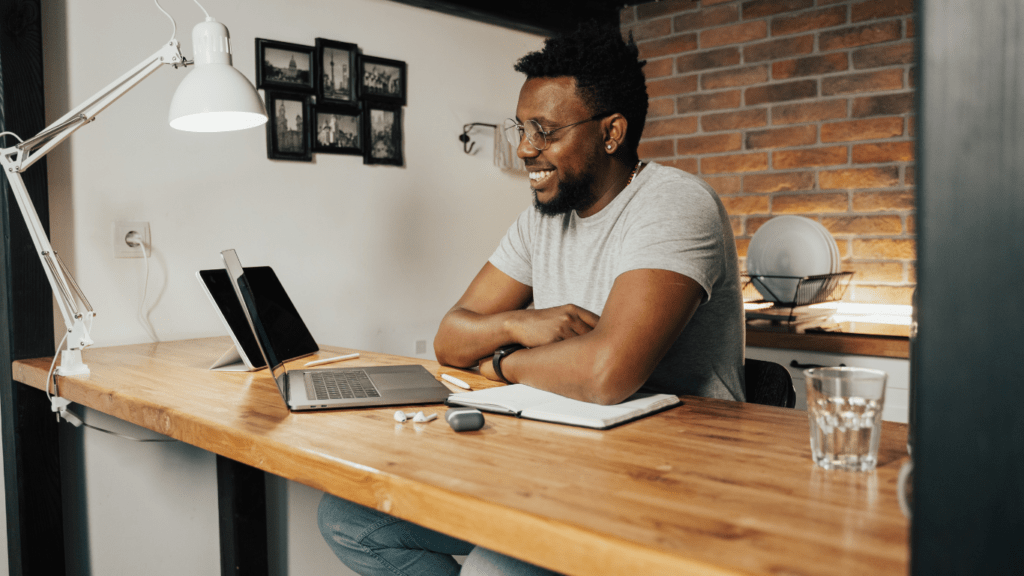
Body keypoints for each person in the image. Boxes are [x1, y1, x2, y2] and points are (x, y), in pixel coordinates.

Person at [318, 22, 745, 576]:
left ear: (611, 132)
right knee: (349, 518)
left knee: (493, 569)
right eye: (521, 128)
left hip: (671, 481)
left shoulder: (673, 204)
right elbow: (451, 337)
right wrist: (523, 323)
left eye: (543, 131)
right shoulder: (541, 221)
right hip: (563, 464)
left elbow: (604, 373)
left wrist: (501, 361)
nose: (524, 149)